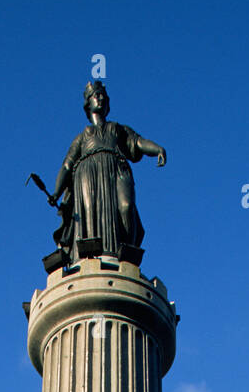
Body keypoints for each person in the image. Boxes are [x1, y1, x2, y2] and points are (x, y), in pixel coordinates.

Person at [51, 82, 167, 264]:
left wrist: (157, 149)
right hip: (88, 173)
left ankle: (127, 253)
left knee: (126, 206)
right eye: (96, 95)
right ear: (88, 104)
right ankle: (90, 254)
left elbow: (138, 142)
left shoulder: (118, 129)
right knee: (89, 212)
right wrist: (56, 192)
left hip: (116, 168)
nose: (100, 98)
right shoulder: (83, 137)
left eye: (102, 95)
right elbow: (67, 165)